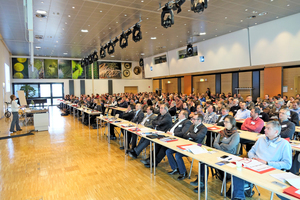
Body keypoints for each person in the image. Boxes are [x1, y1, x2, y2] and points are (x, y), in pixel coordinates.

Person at [231, 121, 292, 200]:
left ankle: (246, 188)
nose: (264, 130)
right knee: (236, 171)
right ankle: (239, 197)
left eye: (268, 128)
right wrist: (253, 158)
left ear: (276, 132)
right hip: (254, 165)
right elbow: (251, 152)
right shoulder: (261, 139)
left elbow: (287, 164)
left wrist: (267, 163)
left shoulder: (284, 144)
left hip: (270, 170)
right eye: (265, 128)